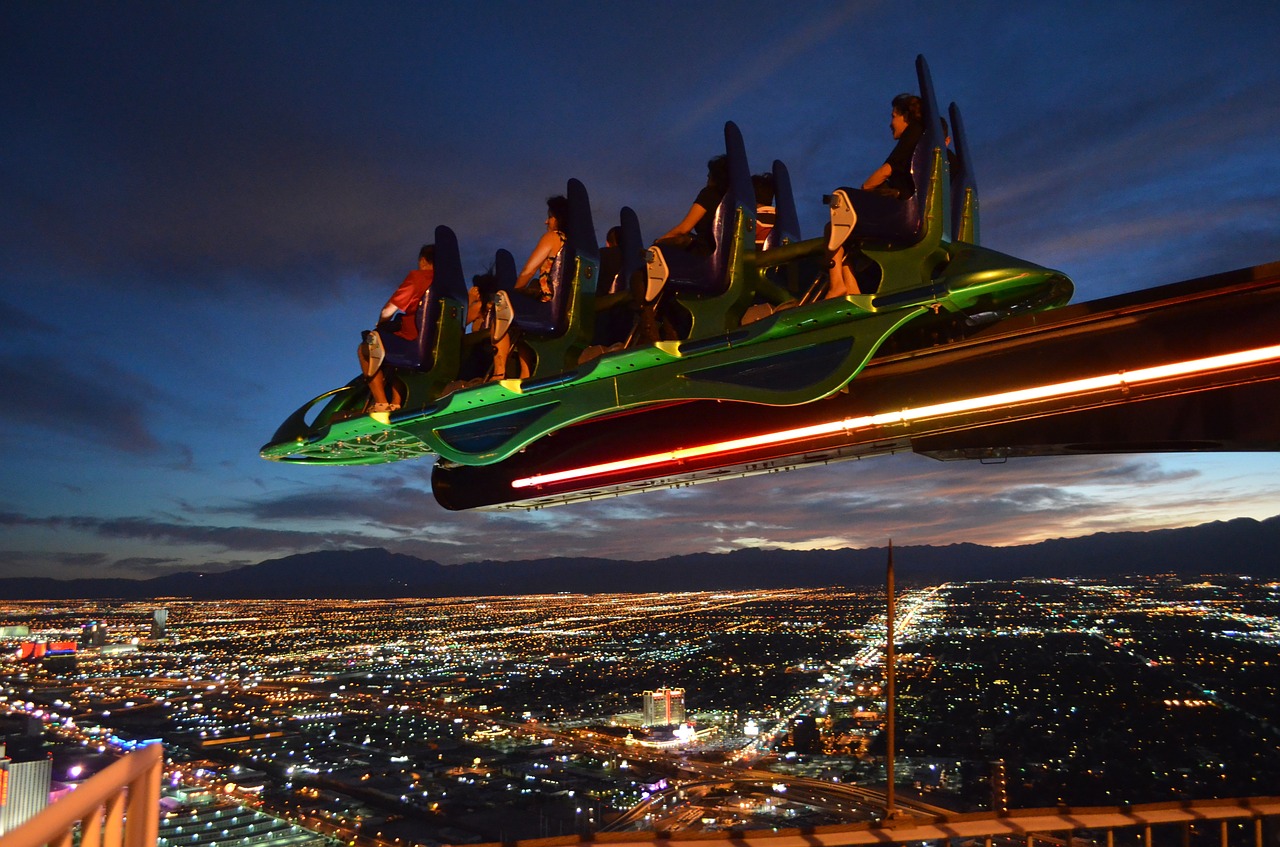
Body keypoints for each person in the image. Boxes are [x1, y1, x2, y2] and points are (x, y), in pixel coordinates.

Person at [827, 93, 924, 298]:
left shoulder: (913, 134)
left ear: (905, 116)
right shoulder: (924, 139)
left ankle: (837, 284)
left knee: (838, 209)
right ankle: (851, 289)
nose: (890, 123)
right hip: (910, 206)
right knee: (849, 232)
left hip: (902, 211)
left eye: (893, 116)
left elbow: (886, 170)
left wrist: (864, 189)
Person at [493, 195, 569, 380]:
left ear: (559, 218)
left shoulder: (553, 237)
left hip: (549, 305)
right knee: (522, 311)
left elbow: (528, 271)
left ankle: (500, 372)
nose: (546, 221)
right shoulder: (575, 243)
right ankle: (525, 372)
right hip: (568, 306)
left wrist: (514, 292)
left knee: (502, 301)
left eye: (550, 217)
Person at [359, 244, 434, 415]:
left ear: (423, 260)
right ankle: (397, 401)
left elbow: (388, 310)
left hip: (414, 342)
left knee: (366, 348)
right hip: (439, 342)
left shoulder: (419, 277)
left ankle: (381, 403)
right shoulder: (449, 283)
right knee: (393, 343)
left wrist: (381, 325)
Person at [655, 154, 729, 254]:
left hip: (702, 255)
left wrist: (658, 243)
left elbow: (684, 229)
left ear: (715, 177)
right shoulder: (729, 200)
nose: (707, 177)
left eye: (709, 175)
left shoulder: (709, 194)